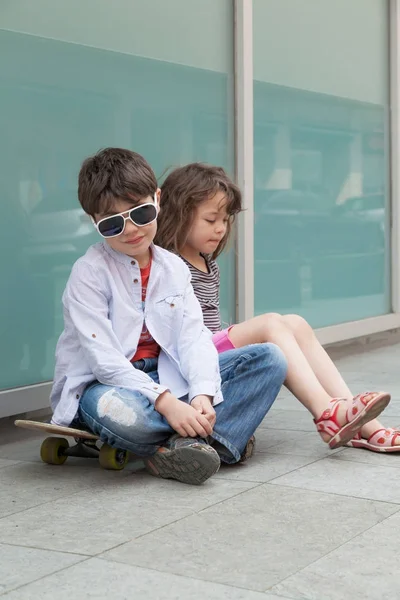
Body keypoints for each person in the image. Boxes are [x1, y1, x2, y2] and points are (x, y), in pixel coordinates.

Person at [49, 147, 289, 486]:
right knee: (119, 414)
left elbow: (193, 338)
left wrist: (202, 394)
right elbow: (104, 362)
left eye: (141, 213)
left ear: (157, 199)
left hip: (168, 378)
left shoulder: (173, 267)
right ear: (94, 222)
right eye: (113, 222)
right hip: (108, 386)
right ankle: (210, 437)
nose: (131, 229)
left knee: (270, 359)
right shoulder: (88, 273)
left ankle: (181, 445)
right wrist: (166, 403)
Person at [155, 162, 397, 453]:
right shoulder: (167, 265)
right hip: (187, 361)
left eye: (226, 220)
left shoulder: (207, 263)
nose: (220, 229)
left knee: (295, 323)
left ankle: (363, 424)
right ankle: (326, 412)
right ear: (179, 214)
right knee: (270, 323)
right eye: (210, 220)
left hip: (209, 351)